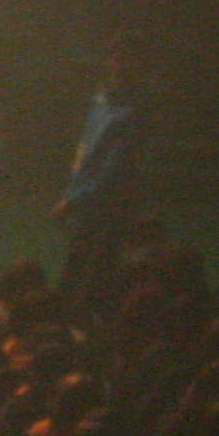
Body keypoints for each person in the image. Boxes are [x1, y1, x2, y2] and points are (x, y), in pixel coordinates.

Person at [56, 30, 146, 305]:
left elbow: (115, 167)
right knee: (77, 266)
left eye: (127, 58)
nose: (119, 64)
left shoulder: (135, 109)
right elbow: (86, 151)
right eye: (115, 57)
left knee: (99, 272)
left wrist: (74, 199)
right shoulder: (100, 100)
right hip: (85, 200)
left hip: (111, 203)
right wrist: (71, 194)